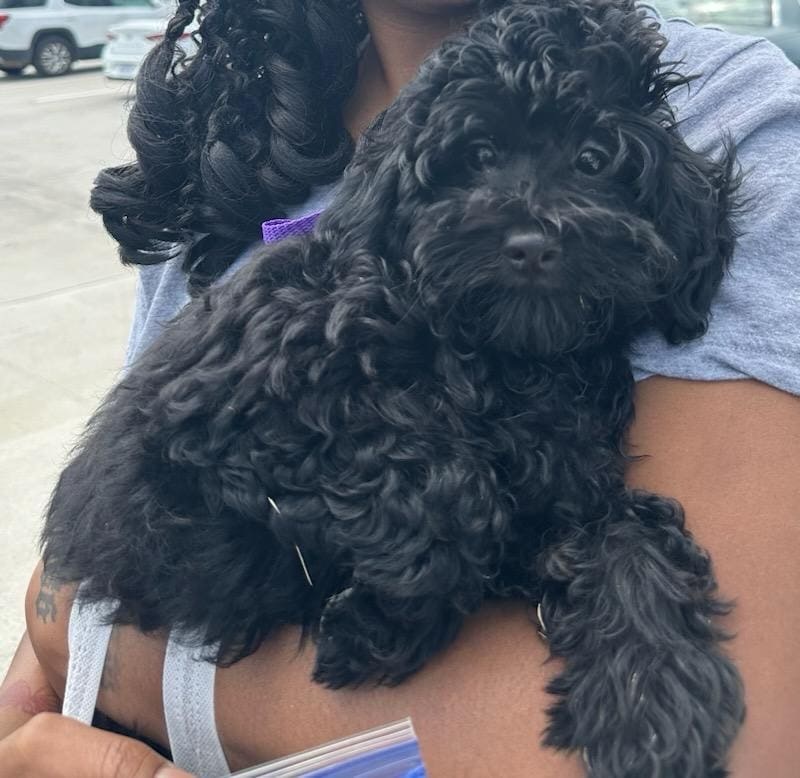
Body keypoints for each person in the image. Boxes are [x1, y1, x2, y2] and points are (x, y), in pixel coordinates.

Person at [1, 0, 799, 775]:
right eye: (478, 162)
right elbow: (90, 550)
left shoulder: (727, 109)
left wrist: (99, 648)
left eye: (590, 166)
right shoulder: (233, 133)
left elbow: (717, 744)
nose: (531, 231)